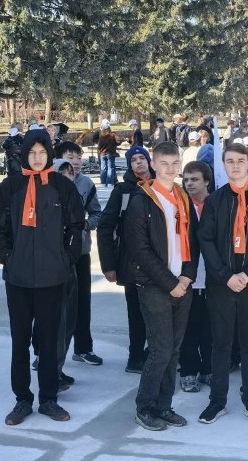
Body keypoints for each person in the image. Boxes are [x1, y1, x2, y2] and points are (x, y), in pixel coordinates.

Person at [0, 129, 85, 425]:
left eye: (43, 153)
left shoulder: (61, 187)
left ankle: (49, 399)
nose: (38, 158)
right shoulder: (10, 186)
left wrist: (66, 258)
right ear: (25, 155)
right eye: (32, 153)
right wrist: (7, 257)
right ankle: (22, 399)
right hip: (18, 280)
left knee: (49, 341)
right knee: (20, 341)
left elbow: (76, 225)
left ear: (49, 155)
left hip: (52, 279)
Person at [198, 143, 248, 425]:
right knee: (221, 343)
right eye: (230, 161)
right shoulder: (215, 201)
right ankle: (217, 400)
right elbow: (206, 239)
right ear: (223, 165)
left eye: (240, 161)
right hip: (222, 284)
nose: (236, 165)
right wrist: (225, 276)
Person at [125, 142, 199, 431]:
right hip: (155, 286)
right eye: (164, 163)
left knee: (174, 350)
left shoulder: (183, 197)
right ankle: (144, 406)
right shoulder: (141, 201)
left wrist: (187, 277)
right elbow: (140, 250)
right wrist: (170, 283)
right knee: (160, 350)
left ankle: (164, 406)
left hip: (183, 284)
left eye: (174, 163)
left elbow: (193, 241)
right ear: (153, 165)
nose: (170, 168)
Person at [97, 145, 155, 374]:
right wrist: (108, 265)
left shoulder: (162, 185)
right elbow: (105, 227)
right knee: (136, 314)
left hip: (159, 262)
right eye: (134, 160)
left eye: (142, 158)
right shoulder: (122, 191)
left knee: (159, 313)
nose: (139, 162)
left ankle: (155, 353)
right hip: (132, 263)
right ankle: (135, 358)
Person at [55, 142, 104, 368]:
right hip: (54, 254)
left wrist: (84, 225)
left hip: (80, 252)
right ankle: (43, 352)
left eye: (78, 157)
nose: (75, 162)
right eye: (70, 157)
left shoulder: (86, 183)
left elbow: (96, 213)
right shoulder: (48, 181)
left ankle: (83, 348)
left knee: (82, 303)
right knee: (52, 306)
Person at [178, 161, 213, 393]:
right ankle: (188, 370)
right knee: (188, 326)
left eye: (195, 179)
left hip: (212, 276)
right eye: (186, 179)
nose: (189, 184)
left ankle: (208, 368)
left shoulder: (216, 204)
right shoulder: (180, 205)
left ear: (206, 181)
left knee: (210, 327)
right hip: (187, 276)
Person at [97, 119, 122, 187]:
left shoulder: (101, 136)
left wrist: (100, 152)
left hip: (102, 154)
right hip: (110, 153)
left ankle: (103, 183)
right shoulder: (112, 135)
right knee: (110, 168)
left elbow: (99, 146)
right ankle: (110, 183)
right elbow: (118, 142)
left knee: (103, 169)